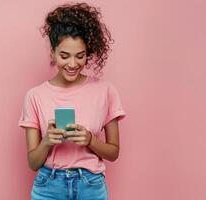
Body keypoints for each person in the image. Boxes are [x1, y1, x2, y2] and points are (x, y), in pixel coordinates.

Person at [18, 2, 126, 200]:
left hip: (91, 186)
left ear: (88, 54)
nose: (72, 64)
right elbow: (33, 163)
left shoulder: (105, 91)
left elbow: (113, 152)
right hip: (48, 187)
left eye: (80, 56)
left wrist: (90, 140)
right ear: (53, 53)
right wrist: (47, 142)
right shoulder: (35, 96)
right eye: (65, 56)